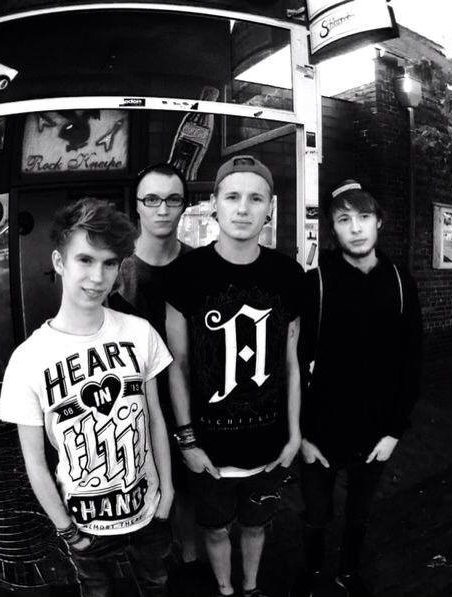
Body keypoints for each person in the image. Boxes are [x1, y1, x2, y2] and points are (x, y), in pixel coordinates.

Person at [0, 198, 175, 597]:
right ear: (59, 262)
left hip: (149, 513)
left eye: (109, 263)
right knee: (96, 591)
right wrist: (67, 531)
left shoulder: (139, 332)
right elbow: (34, 460)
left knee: (157, 584)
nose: (98, 277)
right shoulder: (28, 359)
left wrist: (167, 493)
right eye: (85, 260)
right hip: (84, 528)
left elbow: (155, 419)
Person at [164, 155, 304, 597]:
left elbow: (291, 362)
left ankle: (250, 588)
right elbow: (177, 365)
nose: (243, 208)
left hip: (269, 445)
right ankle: (225, 589)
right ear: (214, 205)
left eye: (255, 198)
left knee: (257, 526)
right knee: (215, 529)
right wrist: (188, 442)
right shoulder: (185, 275)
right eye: (232, 197)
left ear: (269, 209)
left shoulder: (288, 275)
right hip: (209, 448)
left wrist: (295, 435)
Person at [295, 180, 422, 597]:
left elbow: (412, 361)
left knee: (359, 513)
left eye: (364, 217)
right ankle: (311, 574)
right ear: (333, 228)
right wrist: (302, 435)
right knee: (316, 514)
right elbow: (294, 363)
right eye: (344, 219)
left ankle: (348, 573)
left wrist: (394, 431)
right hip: (320, 434)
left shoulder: (400, 281)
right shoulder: (317, 282)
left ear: (378, 221)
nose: (356, 228)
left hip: (376, 433)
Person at [111, 162, 203, 573]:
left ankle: (192, 562)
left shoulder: (199, 267)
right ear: (137, 206)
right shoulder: (115, 270)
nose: (162, 209)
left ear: (185, 205)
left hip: (190, 399)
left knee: (190, 491)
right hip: (133, 403)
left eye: (172, 199)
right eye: (151, 199)